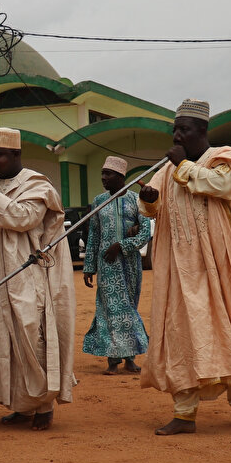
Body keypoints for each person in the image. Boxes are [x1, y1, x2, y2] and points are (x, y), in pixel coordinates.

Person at [138, 99, 231, 435]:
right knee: (181, 335)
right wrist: (150, 199)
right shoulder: (166, 170)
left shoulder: (223, 158)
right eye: (175, 129)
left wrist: (183, 167)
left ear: (202, 131)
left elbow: (220, 186)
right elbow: (152, 211)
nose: (177, 135)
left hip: (220, 266)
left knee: (230, 331)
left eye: (184, 129)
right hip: (179, 270)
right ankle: (184, 414)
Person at [0, 127, 75, 431]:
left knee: (31, 338)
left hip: (26, 277)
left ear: (16, 154)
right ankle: (20, 406)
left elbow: (23, 218)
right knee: (4, 344)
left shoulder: (36, 184)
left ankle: (43, 407)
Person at [82, 156, 150, 375]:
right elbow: (93, 235)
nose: (103, 178)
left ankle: (130, 359)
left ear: (121, 177)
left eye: (108, 174)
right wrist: (89, 266)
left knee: (129, 309)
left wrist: (121, 245)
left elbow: (145, 232)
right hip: (106, 266)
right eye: (102, 173)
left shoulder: (136, 201)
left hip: (130, 265)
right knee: (109, 310)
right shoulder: (98, 201)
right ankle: (113, 361)